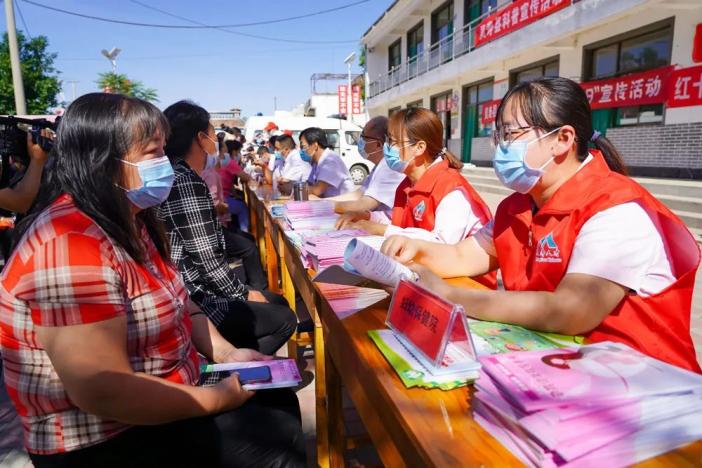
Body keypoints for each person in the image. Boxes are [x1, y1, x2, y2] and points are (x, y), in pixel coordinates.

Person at [0, 93, 306, 467]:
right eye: (152, 152)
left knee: (278, 400)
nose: (165, 165)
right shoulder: (69, 242)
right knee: (275, 441)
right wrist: (219, 398)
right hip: (103, 437)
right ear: (103, 160)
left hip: (166, 389)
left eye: (164, 150)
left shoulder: (131, 217)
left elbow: (183, 301)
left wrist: (227, 354)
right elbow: (105, 391)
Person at [382, 77, 702, 373]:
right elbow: (465, 255)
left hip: (643, 382)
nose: (501, 147)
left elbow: (571, 311)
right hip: (558, 364)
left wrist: (449, 295)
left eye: (511, 134)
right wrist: (416, 250)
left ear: (562, 139)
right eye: (500, 135)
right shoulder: (518, 205)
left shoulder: (617, 209)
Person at [159, 100, 296, 355]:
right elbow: (207, 259)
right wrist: (242, 294)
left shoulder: (175, 176)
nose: (215, 143)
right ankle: (239, 371)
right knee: (284, 317)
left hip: (190, 288)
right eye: (212, 136)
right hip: (196, 297)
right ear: (200, 138)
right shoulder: (185, 182)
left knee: (275, 300)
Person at [340, 108, 495, 288]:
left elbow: (442, 245)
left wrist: (379, 229)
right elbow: (398, 219)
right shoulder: (407, 184)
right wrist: (368, 217)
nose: (387, 148)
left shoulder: (451, 189)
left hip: (465, 288)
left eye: (394, 142)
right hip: (420, 278)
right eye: (388, 140)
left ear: (420, 147)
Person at [332, 116, 406, 221]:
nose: (360, 141)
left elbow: (364, 204)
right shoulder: (379, 165)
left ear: (378, 144)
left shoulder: (389, 167)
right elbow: (358, 194)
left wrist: (326, 206)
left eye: (363, 137)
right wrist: (323, 202)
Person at [300, 127, 355, 198]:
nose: (301, 150)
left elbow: (317, 190)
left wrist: (299, 190)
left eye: (303, 146)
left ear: (315, 145)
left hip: (343, 204)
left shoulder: (330, 160)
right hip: (329, 203)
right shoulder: (316, 162)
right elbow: (309, 184)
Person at [220, 140, 251, 231]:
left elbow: (228, 182)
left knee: (240, 200)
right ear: (234, 152)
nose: (239, 154)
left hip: (223, 196)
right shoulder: (230, 162)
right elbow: (246, 177)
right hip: (222, 199)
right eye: (239, 151)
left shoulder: (221, 162)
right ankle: (245, 232)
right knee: (242, 207)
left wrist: (235, 194)